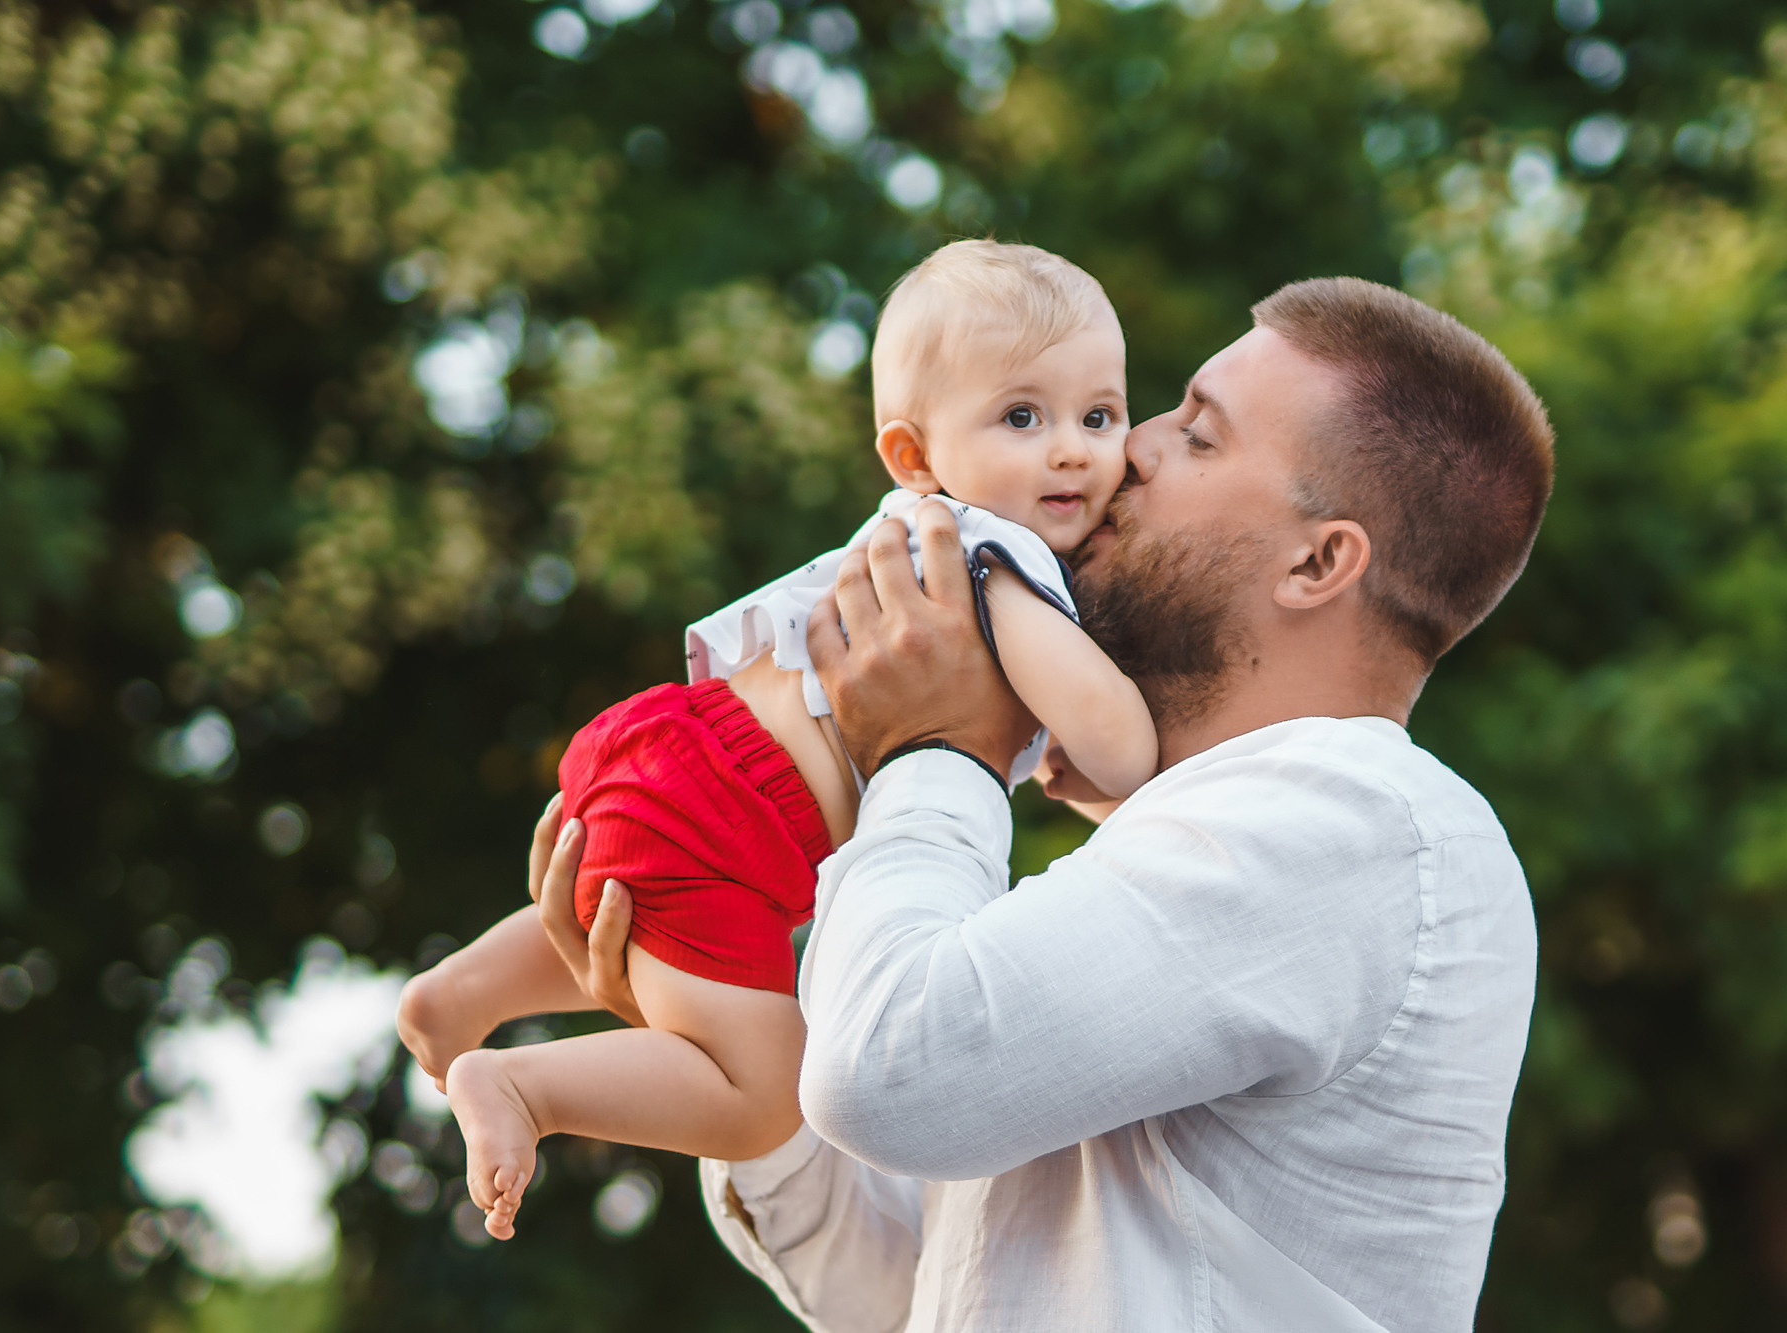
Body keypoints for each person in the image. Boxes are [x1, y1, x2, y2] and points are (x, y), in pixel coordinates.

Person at [538, 276, 1556, 1331]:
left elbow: (887, 1078)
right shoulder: (1180, 854)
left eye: (1197, 436)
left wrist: (936, 745)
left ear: (1316, 560)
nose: (1130, 450)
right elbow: (907, 1289)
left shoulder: (1359, 822)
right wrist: (708, 998)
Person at [395, 241, 1157, 1239]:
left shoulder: (916, 531)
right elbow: (1119, 747)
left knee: (623, 901)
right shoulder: (988, 550)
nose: (1071, 449)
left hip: (672, 743)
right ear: (914, 456)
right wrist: (1140, 736)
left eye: (1099, 416)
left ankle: (457, 995)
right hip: (733, 818)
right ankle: (524, 1086)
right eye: (1023, 416)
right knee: (766, 1097)